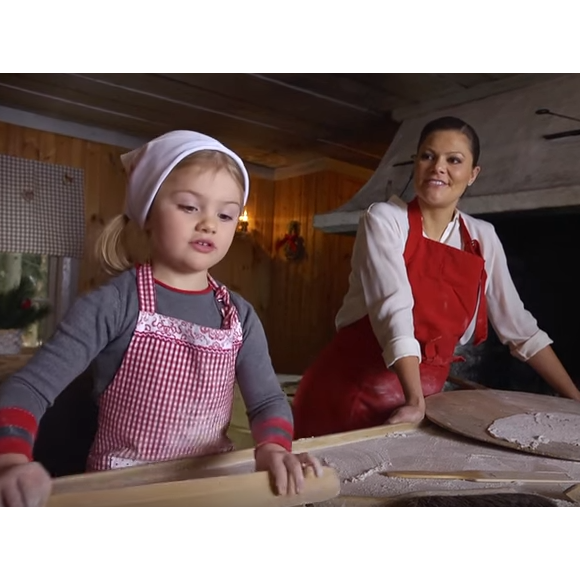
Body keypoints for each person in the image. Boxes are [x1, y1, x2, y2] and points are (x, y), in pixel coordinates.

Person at [0, 130, 322, 507]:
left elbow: (268, 400)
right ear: (148, 214)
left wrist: (273, 447)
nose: (208, 224)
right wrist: (10, 460)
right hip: (124, 491)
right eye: (189, 207)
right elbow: (29, 388)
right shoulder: (114, 304)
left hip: (210, 489)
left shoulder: (239, 316)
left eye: (225, 213)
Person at [292, 116, 580, 439]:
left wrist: (574, 399)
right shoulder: (385, 220)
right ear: (416, 163)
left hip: (417, 403)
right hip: (346, 396)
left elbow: (521, 330)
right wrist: (415, 400)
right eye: (428, 156)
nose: (438, 167)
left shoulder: (483, 238)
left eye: (453, 160)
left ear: (473, 175)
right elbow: (394, 311)